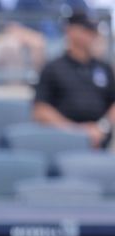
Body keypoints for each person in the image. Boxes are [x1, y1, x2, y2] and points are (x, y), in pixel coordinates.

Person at [33, 10, 115, 149]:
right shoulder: (53, 68)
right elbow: (41, 110)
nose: (92, 35)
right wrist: (78, 132)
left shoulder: (104, 68)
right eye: (86, 30)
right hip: (63, 144)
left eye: (93, 31)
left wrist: (101, 127)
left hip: (99, 144)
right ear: (70, 31)